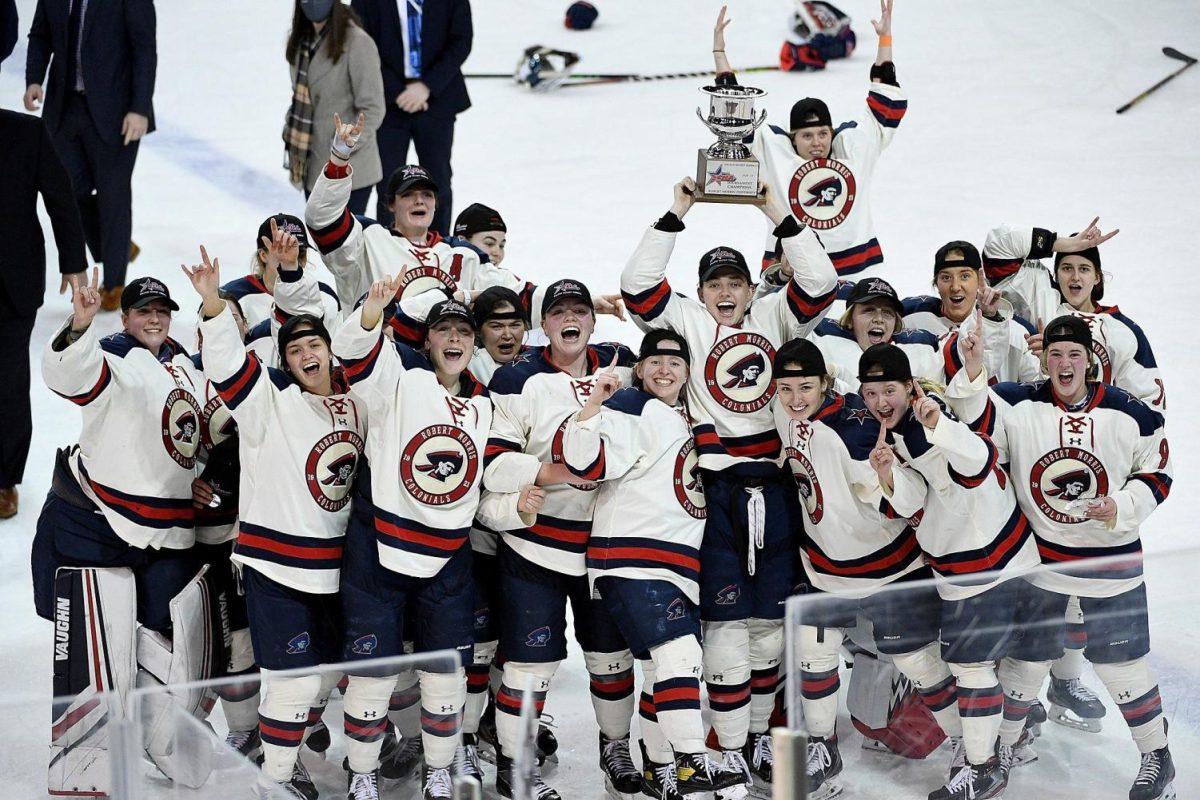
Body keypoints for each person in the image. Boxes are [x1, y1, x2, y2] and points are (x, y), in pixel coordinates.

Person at [621, 177, 837, 798]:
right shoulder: (686, 320)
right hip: (713, 493)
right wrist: (677, 210)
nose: (724, 293)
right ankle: (727, 751)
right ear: (702, 291)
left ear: (749, 289)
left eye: (734, 283)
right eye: (714, 283)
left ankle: (756, 739)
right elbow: (638, 283)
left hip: (776, 486)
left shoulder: (774, 314)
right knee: (723, 626)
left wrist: (776, 210)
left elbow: (820, 282)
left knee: (768, 624)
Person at [947, 315, 1175, 800]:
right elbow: (976, 429)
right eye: (1055, 354)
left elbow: (1158, 473)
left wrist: (1122, 504)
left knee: (1122, 666)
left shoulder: (1130, 412)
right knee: (1026, 665)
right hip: (1040, 564)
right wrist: (972, 373)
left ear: (1090, 359)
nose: (1064, 363)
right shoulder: (1020, 404)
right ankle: (1002, 751)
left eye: (1074, 354)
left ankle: (1157, 755)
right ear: (1043, 358)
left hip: (1108, 563)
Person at [184, 245, 366, 799]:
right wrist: (215, 305)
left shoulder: (360, 403)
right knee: (292, 683)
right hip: (278, 568)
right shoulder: (267, 403)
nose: (306, 353)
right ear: (284, 362)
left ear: (332, 352)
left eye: (316, 344)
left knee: (331, 671)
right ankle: (280, 783)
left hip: (341, 569)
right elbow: (227, 367)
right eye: (295, 349)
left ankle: (289, 745)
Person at [33, 271, 211, 795]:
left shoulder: (189, 370)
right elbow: (70, 375)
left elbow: (213, 436)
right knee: (96, 642)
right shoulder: (108, 356)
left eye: (162, 310)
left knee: (173, 639)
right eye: (143, 310)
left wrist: (212, 479)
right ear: (127, 317)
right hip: (94, 522)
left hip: (170, 531)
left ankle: (163, 740)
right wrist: (80, 324)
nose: (154, 318)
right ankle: (86, 756)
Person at [770, 338, 968, 799]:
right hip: (823, 570)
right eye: (786, 389)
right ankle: (822, 747)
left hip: (891, 570)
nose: (796, 399)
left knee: (919, 663)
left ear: (825, 383)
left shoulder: (858, 433)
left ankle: (970, 743)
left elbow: (911, 502)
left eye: (805, 387)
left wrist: (886, 475)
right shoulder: (787, 413)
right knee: (812, 655)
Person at [858, 340, 1052, 799]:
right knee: (972, 666)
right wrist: (887, 475)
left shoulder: (934, 419)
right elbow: (916, 502)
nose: (880, 402)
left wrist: (939, 426)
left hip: (985, 560)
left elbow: (979, 460)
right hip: (971, 560)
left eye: (889, 390)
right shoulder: (899, 432)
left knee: (972, 666)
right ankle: (986, 748)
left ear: (909, 386)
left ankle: (983, 766)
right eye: (870, 393)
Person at [333, 286, 505, 800]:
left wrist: (525, 494)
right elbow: (353, 351)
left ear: (474, 344)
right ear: (427, 340)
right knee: (373, 671)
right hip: (377, 547)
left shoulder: (484, 405)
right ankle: (362, 771)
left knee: (444, 670)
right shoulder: (400, 379)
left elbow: (484, 482)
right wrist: (370, 312)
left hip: (450, 555)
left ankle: (438, 770)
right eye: (444, 330)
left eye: (464, 332)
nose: (454, 338)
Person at [562, 329, 745, 799]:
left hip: (669, 562)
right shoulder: (632, 407)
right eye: (655, 362)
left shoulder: (684, 417)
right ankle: (692, 764)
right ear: (640, 370)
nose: (665, 370)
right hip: (634, 557)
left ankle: (661, 767)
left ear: (688, 373)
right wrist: (592, 409)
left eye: (675, 362)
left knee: (659, 672)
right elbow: (586, 463)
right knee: (679, 657)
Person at [483, 280, 641, 800]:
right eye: (558, 313)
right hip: (536, 549)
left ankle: (616, 746)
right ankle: (517, 767)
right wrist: (553, 473)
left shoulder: (623, 364)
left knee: (611, 657)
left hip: (605, 550)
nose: (570, 320)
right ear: (543, 324)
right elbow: (494, 463)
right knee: (531, 665)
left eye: (579, 310)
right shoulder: (517, 377)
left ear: (593, 321)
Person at [306, 114, 541, 344]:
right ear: (390, 204)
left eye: (427, 195)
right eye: (408, 195)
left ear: (435, 204)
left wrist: (569, 304)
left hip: (448, 369)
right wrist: (338, 160)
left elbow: (519, 294)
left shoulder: (461, 253)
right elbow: (322, 219)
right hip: (380, 367)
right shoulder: (367, 239)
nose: (419, 201)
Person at [711, 1, 904, 278]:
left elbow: (884, 99)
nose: (817, 142)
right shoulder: (775, 156)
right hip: (791, 279)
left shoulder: (854, 151)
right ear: (793, 138)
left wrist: (885, 40)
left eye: (823, 134)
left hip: (855, 279)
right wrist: (720, 53)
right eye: (807, 136)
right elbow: (736, 112)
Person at [24, 0, 156, 309]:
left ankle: (115, 283)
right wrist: (34, 79)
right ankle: (116, 245)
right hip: (64, 107)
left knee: (113, 195)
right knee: (67, 189)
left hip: (118, 110)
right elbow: (40, 34)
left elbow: (144, 48)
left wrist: (138, 109)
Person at [982, 219, 1165, 417]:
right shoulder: (1039, 296)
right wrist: (1062, 244)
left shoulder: (1121, 329)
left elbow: (1148, 403)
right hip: (1037, 428)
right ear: (1056, 274)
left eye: (1084, 269)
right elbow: (997, 246)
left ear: (1097, 277)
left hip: (1095, 436)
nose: (1075, 277)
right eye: (1067, 268)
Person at [0, 108, 86, 518]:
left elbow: (60, 197)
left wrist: (73, 261)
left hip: (11, 282)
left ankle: (3, 479)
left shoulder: (26, 132)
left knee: (9, 381)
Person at [351, 0, 473, 232]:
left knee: (438, 182)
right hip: (388, 103)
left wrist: (427, 86)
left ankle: (439, 251)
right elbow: (360, 43)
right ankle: (388, 249)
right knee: (387, 185)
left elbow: (461, 39)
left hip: (437, 101)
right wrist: (396, 90)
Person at [285, 0, 384, 215]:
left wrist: (343, 146)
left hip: (351, 168)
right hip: (311, 162)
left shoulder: (357, 42)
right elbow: (301, 98)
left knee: (345, 242)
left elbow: (373, 107)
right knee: (321, 240)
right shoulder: (299, 41)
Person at [902, 241, 1042, 384]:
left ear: (980, 280)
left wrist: (1046, 367)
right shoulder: (909, 316)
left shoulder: (1015, 330)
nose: (955, 287)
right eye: (946, 277)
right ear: (936, 284)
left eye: (965, 276)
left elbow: (1037, 386)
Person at [220, 213, 342, 329]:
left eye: (300, 253)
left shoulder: (325, 296)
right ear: (263, 255)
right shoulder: (234, 297)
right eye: (282, 251)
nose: (292, 258)